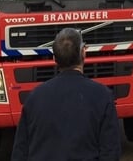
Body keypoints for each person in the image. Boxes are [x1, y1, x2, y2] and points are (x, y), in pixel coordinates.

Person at [12, 28, 120, 161]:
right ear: (83, 53)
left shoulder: (34, 98)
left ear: (54, 58)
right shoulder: (103, 96)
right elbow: (110, 152)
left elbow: (20, 151)